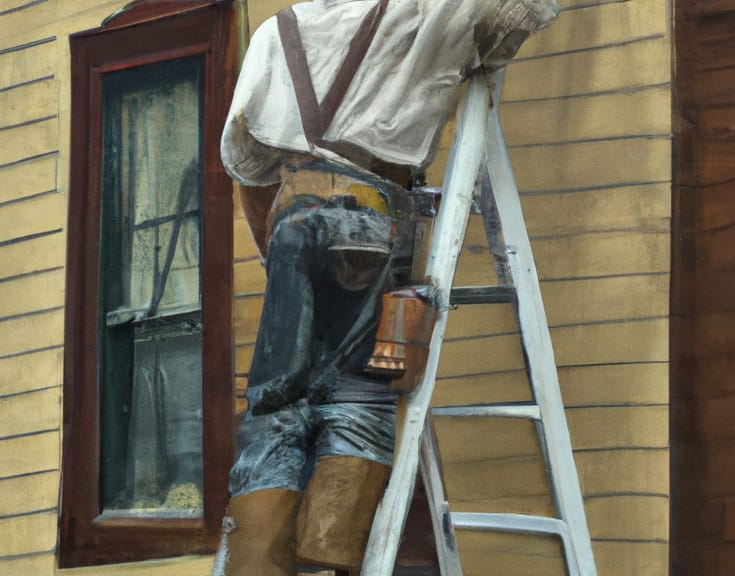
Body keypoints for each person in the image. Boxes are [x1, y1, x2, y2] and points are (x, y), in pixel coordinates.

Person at [214, 1, 559, 574]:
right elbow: (522, 14)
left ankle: (255, 563)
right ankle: (329, 552)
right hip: (373, 222)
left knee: (275, 406)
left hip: (290, 223)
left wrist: (284, 259)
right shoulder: (432, 9)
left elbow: (248, 171)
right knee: (360, 400)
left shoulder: (277, 33)